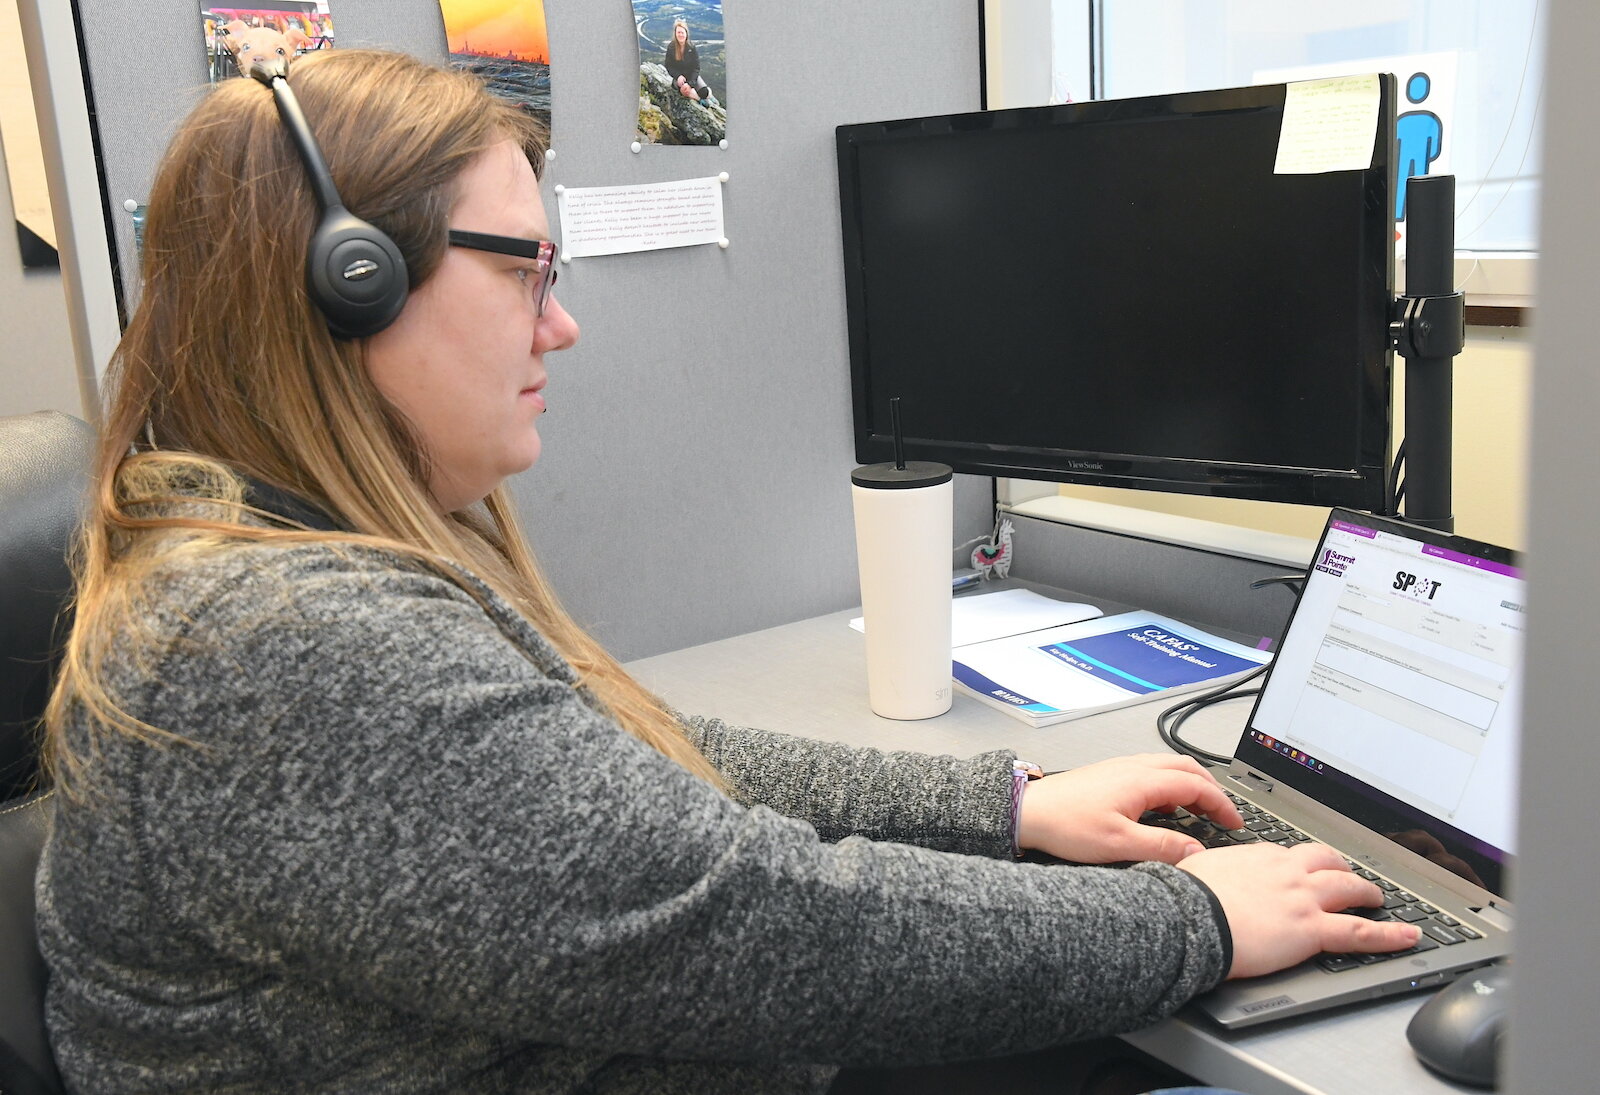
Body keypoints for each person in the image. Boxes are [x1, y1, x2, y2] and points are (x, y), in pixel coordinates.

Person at [37, 49, 1418, 1095]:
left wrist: (1010, 805)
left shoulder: (269, 553)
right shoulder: (285, 636)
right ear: (353, 283)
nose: (561, 326)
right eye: (527, 270)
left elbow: (631, 769)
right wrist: (1191, 920)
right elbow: (757, 925)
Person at [663, 18, 717, 106]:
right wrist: (678, 76)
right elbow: (668, 66)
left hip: (691, 76)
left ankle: (709, 96)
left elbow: (696, 68)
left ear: (686, 33)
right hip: (679, 78)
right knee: (684, 90)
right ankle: (700, 100)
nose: (680, 35)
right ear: (675, 34)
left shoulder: (691, 47)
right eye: (678, 32)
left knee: (704, 92)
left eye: (682, 32)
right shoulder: (671, 47)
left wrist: (690, 84)